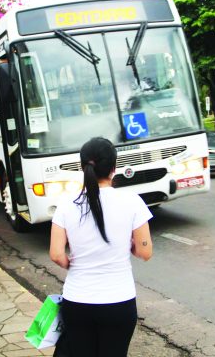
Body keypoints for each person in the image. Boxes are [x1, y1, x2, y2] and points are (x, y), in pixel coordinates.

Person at [50, 137, 153, 357]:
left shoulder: (67, 205)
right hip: (118, 302)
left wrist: (74, 265)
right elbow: (145, 252)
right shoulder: (133, 202)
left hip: (77, 301)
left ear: (82, 166)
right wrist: (130, 246)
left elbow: (56, 254)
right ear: (114, 168)